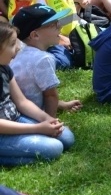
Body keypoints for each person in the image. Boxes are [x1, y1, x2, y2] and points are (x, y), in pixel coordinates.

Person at [0, 21, 75, 166]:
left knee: (66, 138)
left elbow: (22, 102)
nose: (18, 48)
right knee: (54, 148)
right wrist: (38, 128)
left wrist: (47, 119)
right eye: (12, 44)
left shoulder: (5, 68)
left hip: (15, 119)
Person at [10, 5, 83, 117]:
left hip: (12, 110)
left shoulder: (16, 53)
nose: (60, 26)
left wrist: (61, 105)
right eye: (54, 24)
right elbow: (50, 96)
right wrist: (50, 122)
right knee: (63, 130)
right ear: (35, 35)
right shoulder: (43, 59)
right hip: (29, 114)